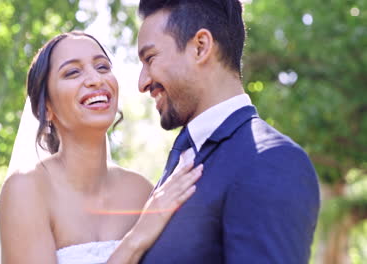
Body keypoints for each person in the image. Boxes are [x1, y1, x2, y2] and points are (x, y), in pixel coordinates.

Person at [0, 31, 203, 264]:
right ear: (48, 108)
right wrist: (137, 239)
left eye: (102, 67)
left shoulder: (143, 192)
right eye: (72, 72)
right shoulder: (26, 189)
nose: (95, 79)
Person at [136, 0, 320, 263]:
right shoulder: (183, 160)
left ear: (200, 47)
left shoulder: (270, 161)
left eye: (150, 58)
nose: (142, 83)